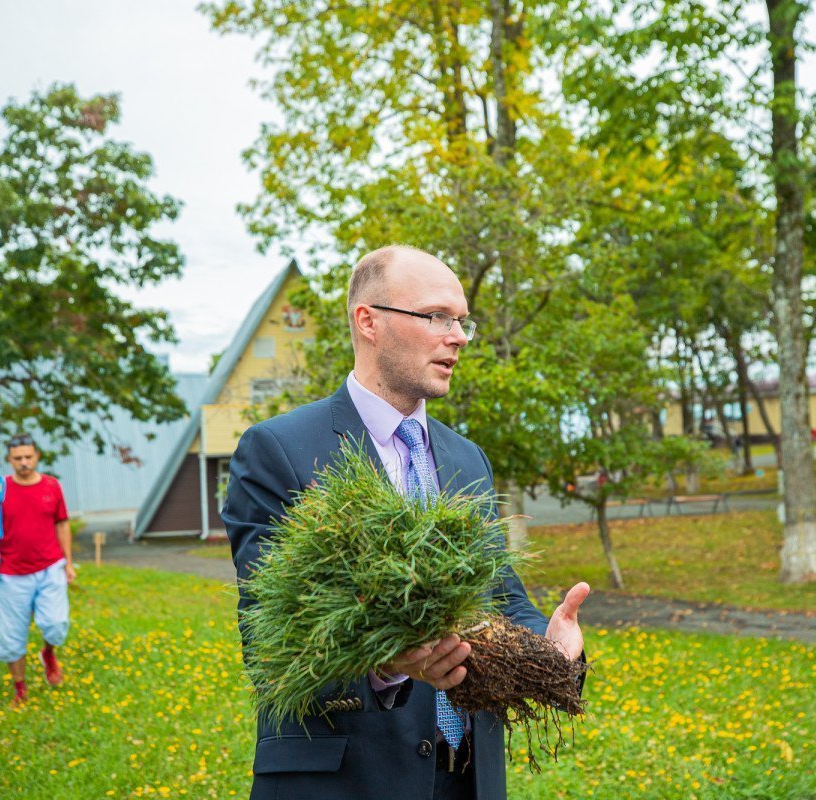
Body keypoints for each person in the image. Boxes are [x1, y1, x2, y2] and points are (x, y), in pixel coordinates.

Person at [223, 245, 589, 800]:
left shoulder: (468, 459)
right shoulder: (280, 450)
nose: (460, 336)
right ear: (368, 321)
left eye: (463, 321)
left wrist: (549, 643)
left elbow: (500, 597)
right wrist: (387, 664)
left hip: (468, 780)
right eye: (437, 316)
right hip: (347, 781)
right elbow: (271, 644)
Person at [0, 433, 75, 704]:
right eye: (18, 458)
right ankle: (21, 688)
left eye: (29, 457)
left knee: (56, 624)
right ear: (9, 460)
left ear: (37, 456)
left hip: (50, 567)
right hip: (10, 574)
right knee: (10, 638)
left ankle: (48, 653)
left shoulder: (52, 486)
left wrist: (69, 563)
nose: (24, 462)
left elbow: (62, 524)